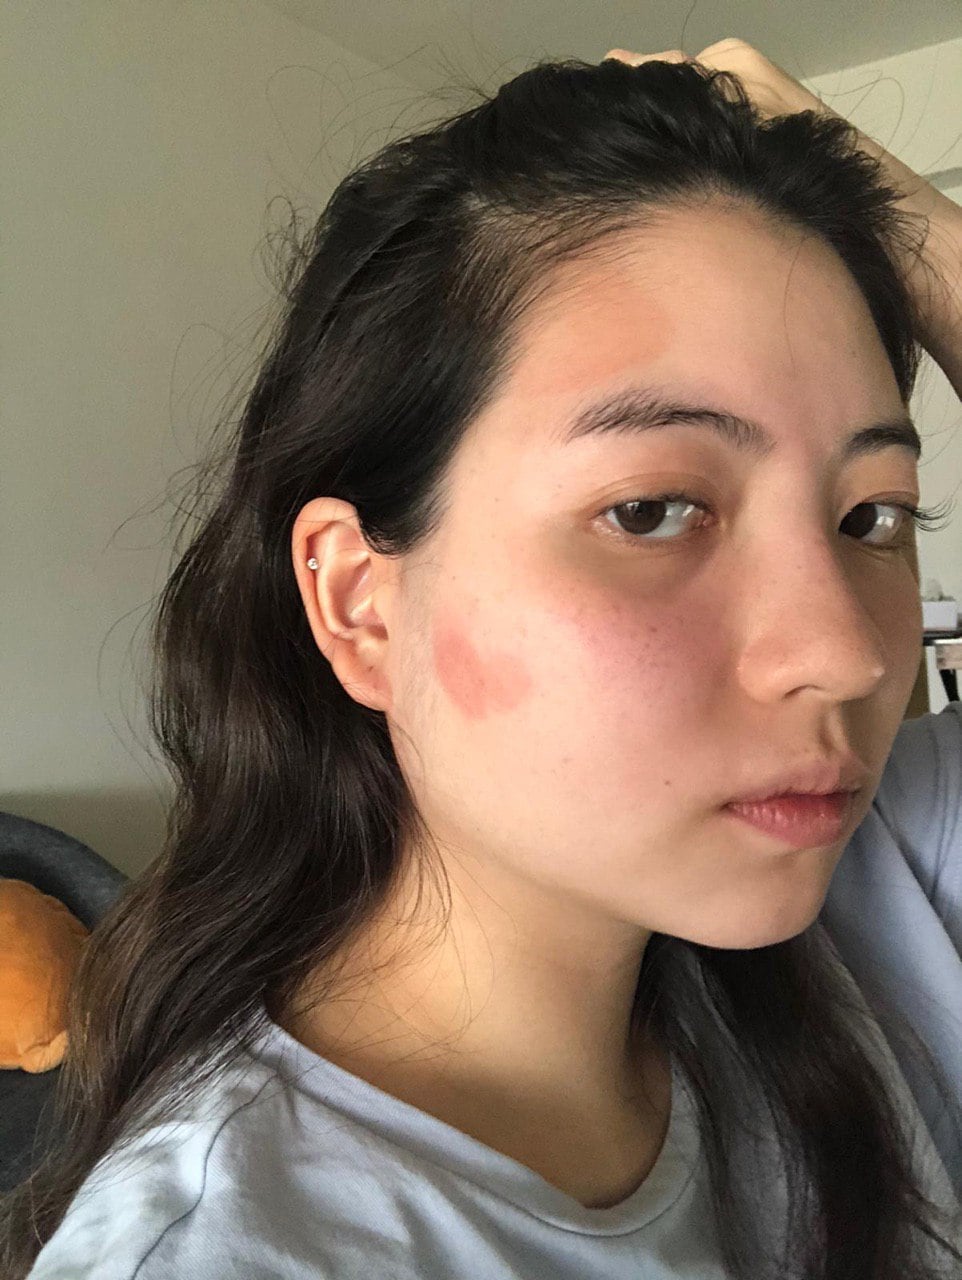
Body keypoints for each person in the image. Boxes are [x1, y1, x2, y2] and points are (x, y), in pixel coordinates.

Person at [3, 36, 962, 1280]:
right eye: (649, 510)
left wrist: (893, 218)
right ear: (360, 604)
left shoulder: (874, 900)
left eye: (870, 514)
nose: (844, 653)